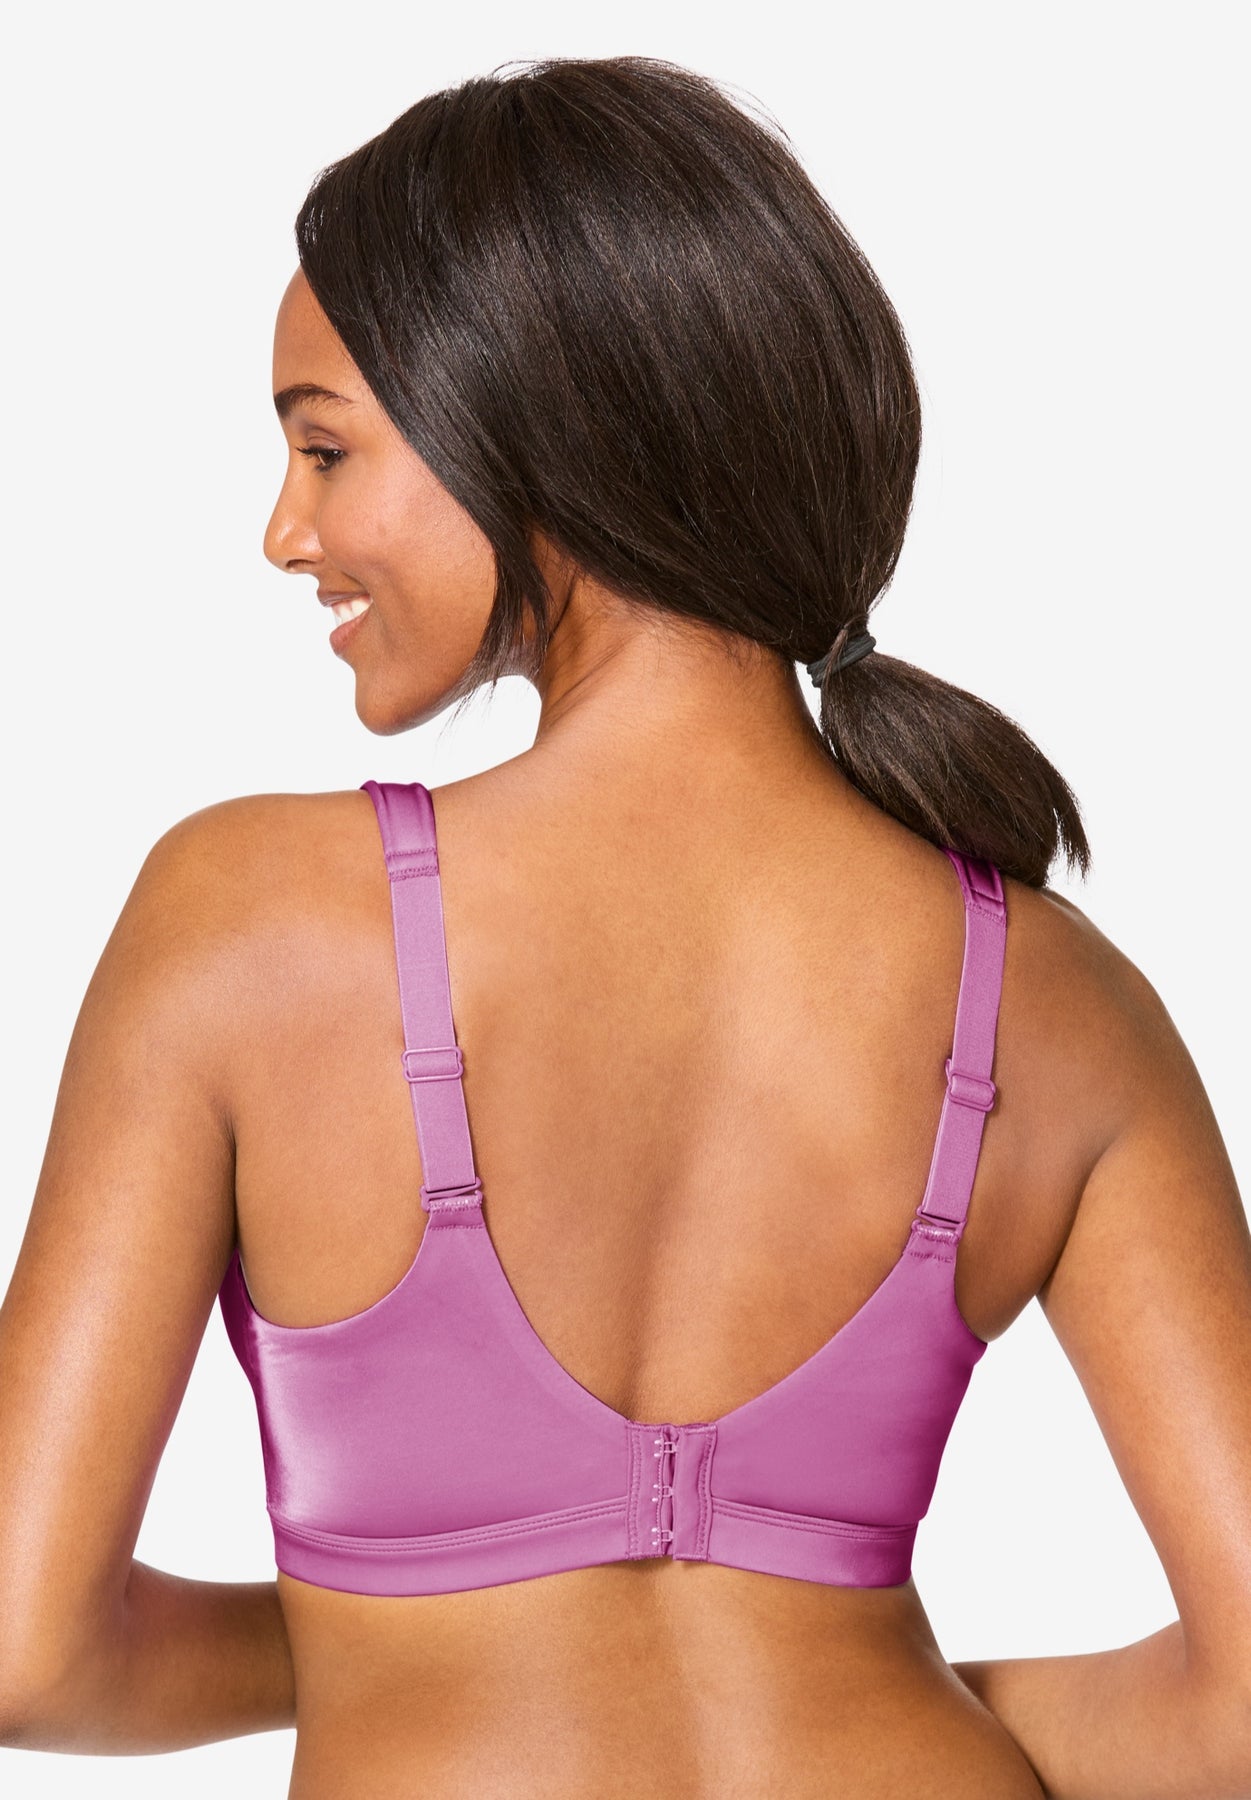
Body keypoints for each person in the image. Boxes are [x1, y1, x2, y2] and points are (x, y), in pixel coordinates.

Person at [2, 53, 1249, 1799]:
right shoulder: (1056, 998)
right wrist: (882, 1709)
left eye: (327, 448)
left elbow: (26, 1643)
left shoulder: (245, 917)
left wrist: (401, 1632)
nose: (287, 531)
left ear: (538, 425)